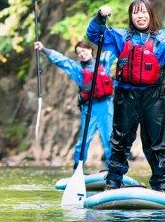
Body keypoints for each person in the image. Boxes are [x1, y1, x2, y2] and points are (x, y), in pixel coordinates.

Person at [87, 0, 165, 191]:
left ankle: (161, 185)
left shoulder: (164, 37)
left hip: (153, 96)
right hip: (125, 95)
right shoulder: (120, 37)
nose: (140, 17)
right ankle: (113, 183)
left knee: (156, 143)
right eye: (136, 13)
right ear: (131, 17)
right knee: (120, 141)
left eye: (144, 12)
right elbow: (94, 35)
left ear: (150, 15)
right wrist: (99, 17)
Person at [34, 40, 114, 171]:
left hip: (106, 106)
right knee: (83, 142)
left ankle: (112, 170)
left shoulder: (104, 61)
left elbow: (118, 48)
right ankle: (78, 169)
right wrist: (43, 49)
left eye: (84, 50)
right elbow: (61, 60)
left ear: (90, 50)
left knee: (109, 140)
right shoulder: (77, 69)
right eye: (79, 53)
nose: (82, 54)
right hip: (89, 108)